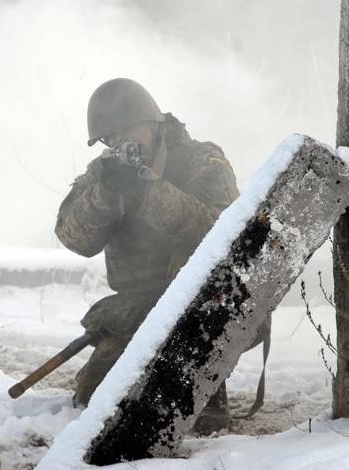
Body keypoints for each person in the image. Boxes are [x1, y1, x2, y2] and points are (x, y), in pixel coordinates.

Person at [54, 78, 240, 434]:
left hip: (207, 302)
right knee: (94, 398)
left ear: (153, 124)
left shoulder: (202, 159)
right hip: (140, 308)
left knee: (192, 406)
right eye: (111, 137)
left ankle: (209, 387)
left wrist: (148, 190)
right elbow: (72, 237)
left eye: (128, 130)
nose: (121, 142)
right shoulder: (105, 171)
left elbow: (218, 231)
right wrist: (106, 195)